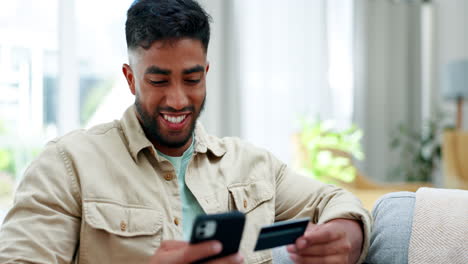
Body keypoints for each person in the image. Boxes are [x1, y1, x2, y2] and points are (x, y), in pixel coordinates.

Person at [0, 0, 371, 263]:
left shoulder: (253, 165)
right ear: (130, 79)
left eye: (191, 79)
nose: (177, 100)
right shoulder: (68, 166)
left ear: (206, 73)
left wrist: (349, 235)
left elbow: (336, 201)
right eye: (158, 80)